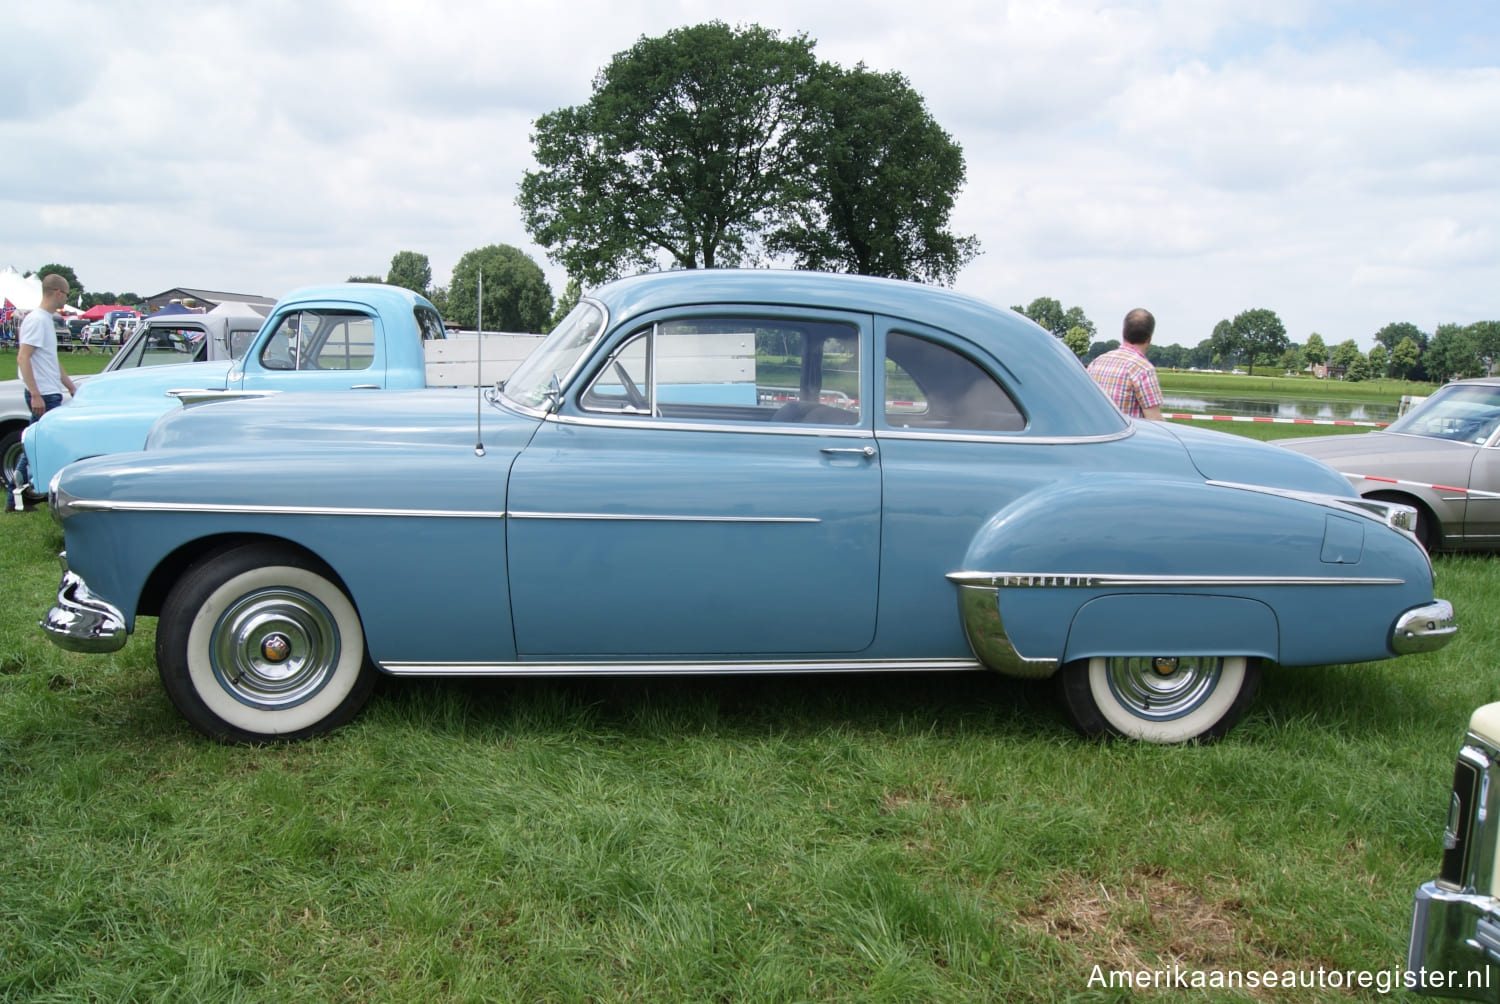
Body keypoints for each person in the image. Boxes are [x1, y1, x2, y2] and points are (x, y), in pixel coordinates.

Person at [5, 274, 78, 512]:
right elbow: (23, 357)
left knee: (36, 444)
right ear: (57, 292)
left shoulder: (45, 320)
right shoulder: (37, 320)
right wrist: (35, 394)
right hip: (43, 395)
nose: (65, 299)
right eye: (66, 294)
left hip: (50, 391)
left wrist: (69, 384)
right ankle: (15, 495)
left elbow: (50, 359)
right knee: (36, 445)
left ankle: (18, 495)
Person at [1087, 307, 1163, 421]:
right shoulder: (1144, 369)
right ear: (1149, 338)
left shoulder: (1097, 362)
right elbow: (1155, 420)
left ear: (1123, 333)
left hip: (1096, 435)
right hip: (1129, 438)